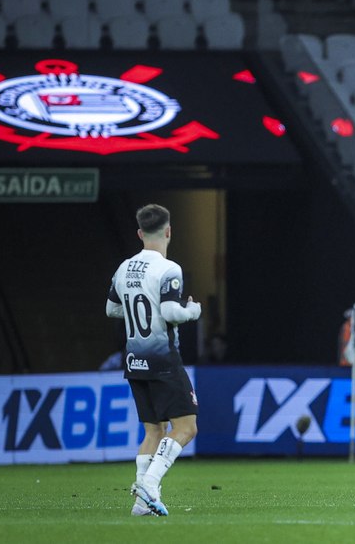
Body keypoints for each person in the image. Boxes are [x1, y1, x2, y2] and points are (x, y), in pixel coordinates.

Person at [106, 204, 202, 518]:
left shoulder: (123, 268)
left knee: (153, 431)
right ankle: (149, 481)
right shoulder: (168, 269)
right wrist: (193, 311)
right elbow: (172, 312)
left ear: (139, 233)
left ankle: (140, 504)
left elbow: (111, 309)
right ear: (169, 231)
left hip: (134, 360)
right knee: (186, 427)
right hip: (162, 359)